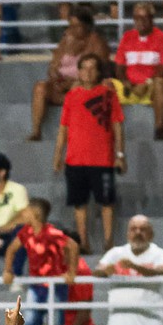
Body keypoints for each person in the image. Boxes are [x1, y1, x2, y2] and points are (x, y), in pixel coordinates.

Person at [53, 53, 126, 254]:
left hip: (103, 160)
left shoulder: (108, 94)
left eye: (92, 68)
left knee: (107, 203)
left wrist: (120, 155)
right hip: (75, 160)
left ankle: (108, 243)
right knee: (79, 203)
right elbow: (63, 129)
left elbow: (117, 125)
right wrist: (58, 155)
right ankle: (84, 243)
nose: (88, 72)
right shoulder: (71, 96)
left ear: (99, 71)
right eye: (84, 68)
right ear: (79, 71)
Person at [2, 198, 79, 325]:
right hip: (36, 285)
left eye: (26, 211)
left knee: (56, 324)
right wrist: (8, 270)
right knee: (31, 322)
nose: (22, 214)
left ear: (35, 213)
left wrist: (71, 271)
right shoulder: (25, 232)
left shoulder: (51, 232)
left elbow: (73, 245)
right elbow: (11, 249)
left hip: (56, 285)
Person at [94, 215, 163, 325]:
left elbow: (162, 271)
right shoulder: (116, 252)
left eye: (143, 229)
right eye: (133, 229)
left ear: (151, 234)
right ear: (127, 233)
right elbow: (98, 271)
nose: (138, 233)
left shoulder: (161, 254)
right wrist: (105, 271)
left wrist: (134, 266)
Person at [28, 7, 110, 141]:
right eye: (70, 26)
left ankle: (77, 133)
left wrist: (71, 82)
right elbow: (53, 67)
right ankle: (36, 131)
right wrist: (56, 78)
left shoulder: (96, 42)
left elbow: (98, 71)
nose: (72, 30)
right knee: (40, 87)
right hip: (61, 87)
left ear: (87, 26)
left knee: (77, 87)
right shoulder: (66, 40)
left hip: (84, 87)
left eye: (76, 26)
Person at [110, 2, 163, 141]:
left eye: (144, 18)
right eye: (137, 18)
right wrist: (125, 82)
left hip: (151, 86)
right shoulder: (127, 37)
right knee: (106, 84)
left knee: (159, 84)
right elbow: (119, 67)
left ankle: (159, 130)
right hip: (129, 86)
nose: (140, 22)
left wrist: (147, 82)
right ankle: (106, 132)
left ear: (152, 19)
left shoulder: (162, 38)